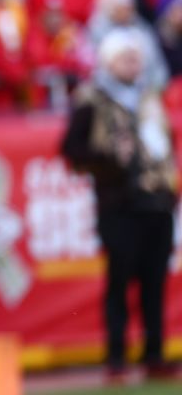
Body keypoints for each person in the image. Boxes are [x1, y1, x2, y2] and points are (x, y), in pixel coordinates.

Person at [61, 28, 179, 383]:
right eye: (126, 57)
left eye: (137, 57)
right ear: (109, 62)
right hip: (119, 204)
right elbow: (72, 150)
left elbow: (166, 143)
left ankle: (155, 353)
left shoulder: (150, 98)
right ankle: (116, 356)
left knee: (155, 282)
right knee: (120, 281)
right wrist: (110, 162)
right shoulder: (92, 100)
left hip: (157, 202)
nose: (133, 64)